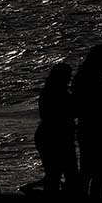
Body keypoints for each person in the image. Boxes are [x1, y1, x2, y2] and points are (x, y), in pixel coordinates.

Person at [71, 44, 102, 197]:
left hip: (86, 129)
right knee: (96, 171)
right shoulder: (93, 80)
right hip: (93, 130)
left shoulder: (82, 77)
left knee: (89, 170)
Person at [34, 62, 78, 194]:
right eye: (67, 76)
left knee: (54, 175)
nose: (69, 79)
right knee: (65, 173)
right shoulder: (59, 93)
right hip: (56, 137)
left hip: (46, 136)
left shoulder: (49, 91)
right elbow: (69, 113)